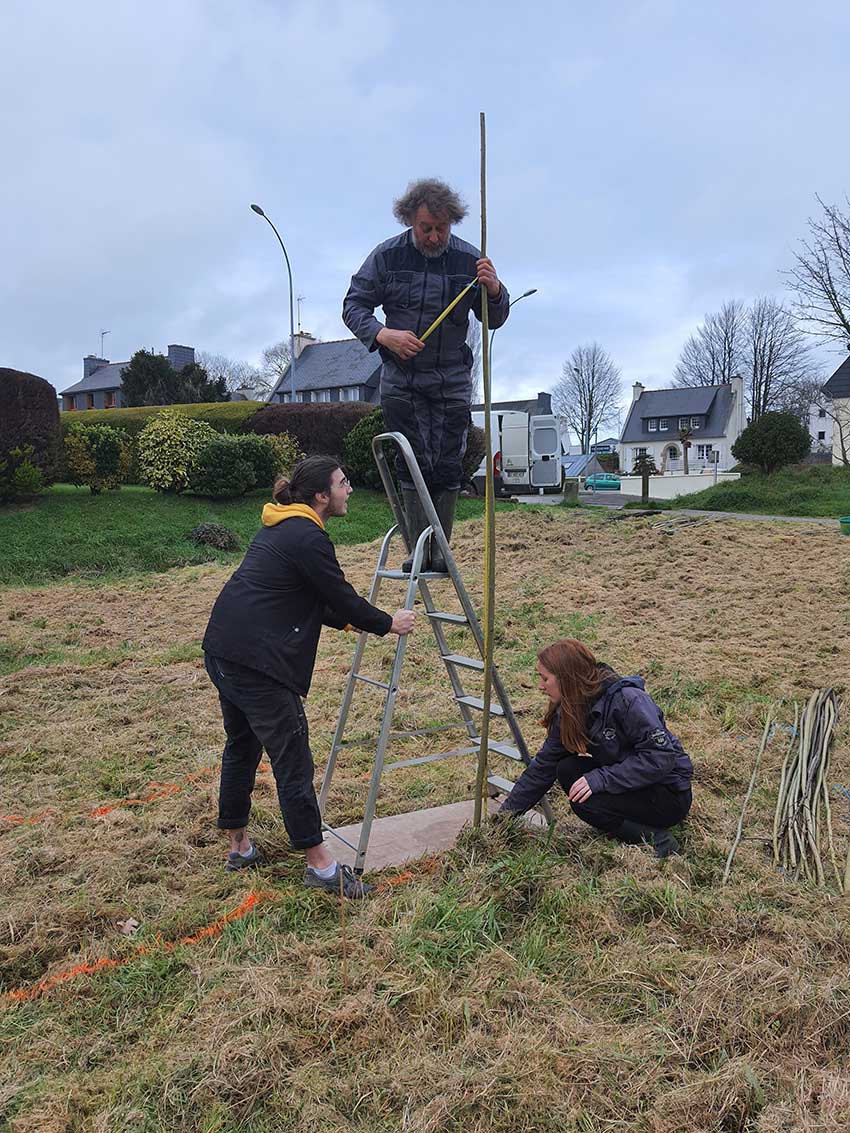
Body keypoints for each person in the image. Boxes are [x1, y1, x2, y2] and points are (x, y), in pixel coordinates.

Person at [202, 455, 415, 897]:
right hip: (256, 662)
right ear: (322, 495)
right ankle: (320, 867)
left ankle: (239, 847)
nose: (349, 489)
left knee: (242, 746)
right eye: (343, 482)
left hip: (225, 649)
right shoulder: (306, 536)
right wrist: (386, 622)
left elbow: (314, 598)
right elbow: (337, 592)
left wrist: (356, 623)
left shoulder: (283, 526)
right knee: (293, 756)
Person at [342, 177, 510, 572]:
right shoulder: (387, 257)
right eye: (426, 229)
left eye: (442, 228)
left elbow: (495, 319)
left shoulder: (471, 260)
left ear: (452, 222)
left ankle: (441, 554)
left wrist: (495, 289)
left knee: (448, 462)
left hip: (452, 376)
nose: (434, 237)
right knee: (410, 458)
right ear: (409, 221)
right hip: (401, 377)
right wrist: (385, 335)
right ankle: (417, 552)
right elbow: (353, 306)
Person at [499, 640, 693, 857]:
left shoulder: (628, 700)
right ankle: (625, 826)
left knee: (585, 802)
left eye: (545, 679)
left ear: (567, 678)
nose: (540, 686)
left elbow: (660, 758)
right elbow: (543, 767)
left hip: (667, 794)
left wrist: (601, 778)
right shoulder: (570, 709)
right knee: (567, 769)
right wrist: (504, 818)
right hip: (633, 785)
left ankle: (658, 840)